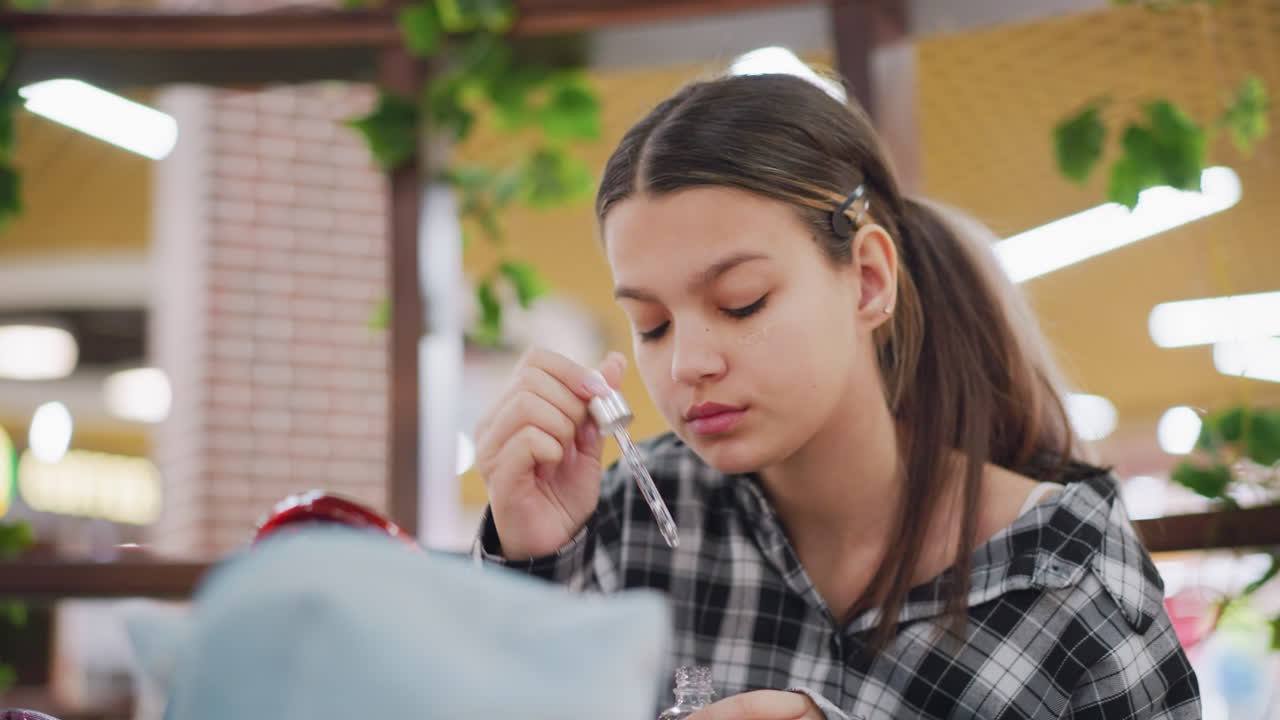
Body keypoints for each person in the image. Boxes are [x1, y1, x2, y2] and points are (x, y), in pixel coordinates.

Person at [472, 72, 1201, 719]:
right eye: (651, 325)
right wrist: (534, 567)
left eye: (741, 302)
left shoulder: (1063, 574)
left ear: (869, 279)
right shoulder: (635, 518)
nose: (687, 364)